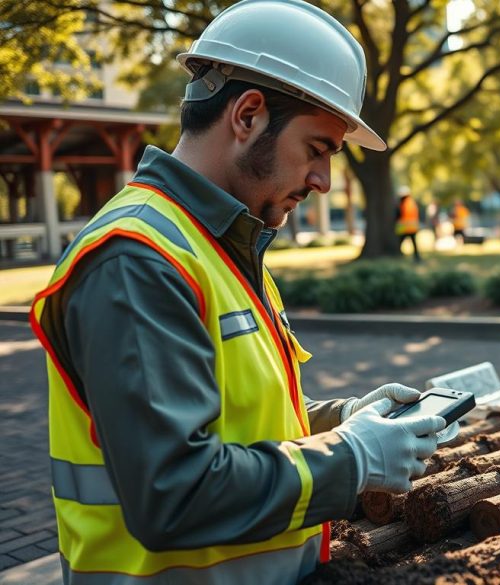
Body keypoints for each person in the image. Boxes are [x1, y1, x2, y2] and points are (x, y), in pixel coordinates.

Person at [29, 1, 446, 583]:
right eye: (318, 149)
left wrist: (343, 423)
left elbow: (233, 427)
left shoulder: (219, 241)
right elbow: (174, 494)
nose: (324, 181)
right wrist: (350, 459)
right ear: (248, 115)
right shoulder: (137, 260)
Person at [395, 186, 421, 261]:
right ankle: (417, 257)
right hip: (413, 227)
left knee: (400, 242)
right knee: (414, 243)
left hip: (405, 227)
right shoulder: (412, 202)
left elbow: (399, 215)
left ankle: (398, 255)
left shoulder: (404, 203)